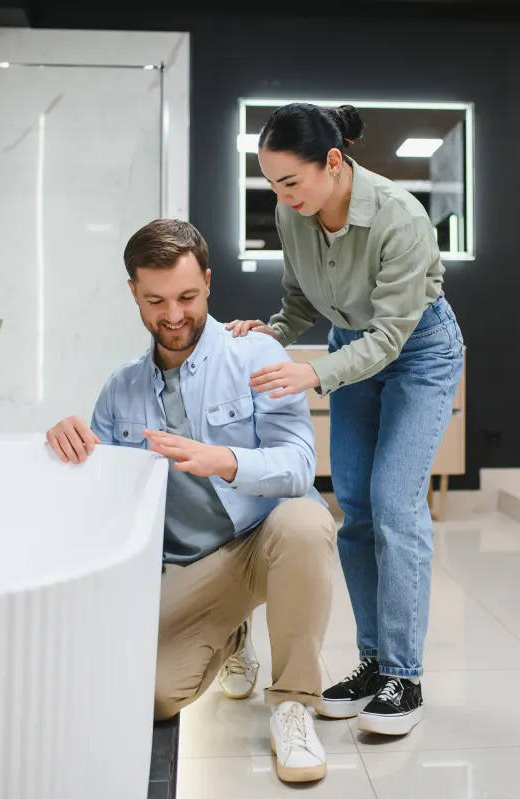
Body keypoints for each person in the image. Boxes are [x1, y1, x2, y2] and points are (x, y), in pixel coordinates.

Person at [46, 219, 337, 784]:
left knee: (305, 521)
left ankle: (293, 704)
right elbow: (102, 503)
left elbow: (301, 465)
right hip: (186, 568)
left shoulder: (254, 353)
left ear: (208, 281)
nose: (173, 315)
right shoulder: (120, 388)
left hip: (262, 540)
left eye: (186, 297)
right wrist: (64, 440)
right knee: (152, 696)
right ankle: (233, 633)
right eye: (155, 300)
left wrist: (223, 460)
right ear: (133, 291)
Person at [226, 103, 465, 737]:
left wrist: (314, 374)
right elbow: (302, 298)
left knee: (394, 501)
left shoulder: (399, 217)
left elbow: (390, 335)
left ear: (334, 162)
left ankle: (404, 678)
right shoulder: (292, 213)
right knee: (354, 505)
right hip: (350, 349)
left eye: (290, 182)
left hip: (417, 352)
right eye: (272, 184)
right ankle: (372, 663)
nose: (281, 197)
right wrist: (269, 332)